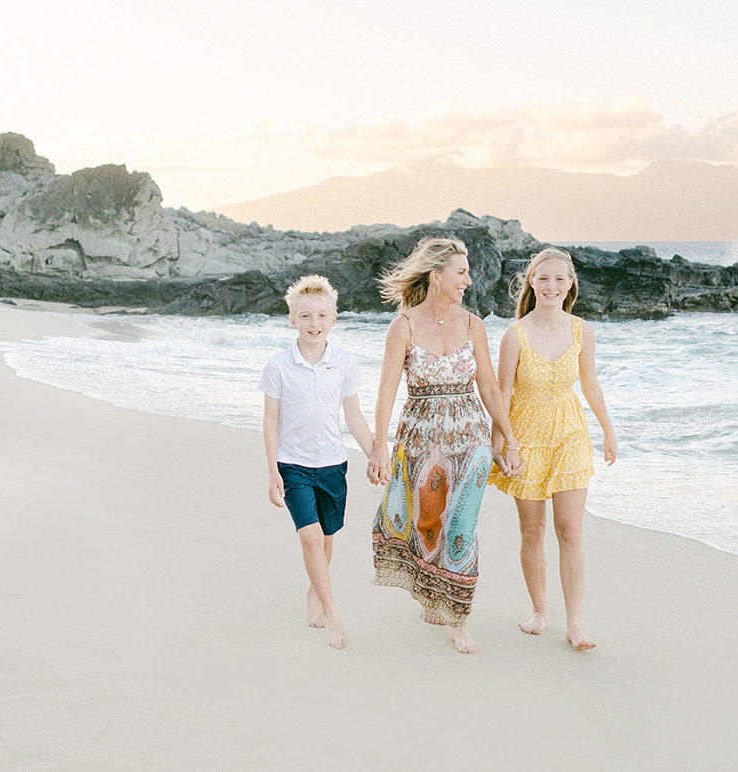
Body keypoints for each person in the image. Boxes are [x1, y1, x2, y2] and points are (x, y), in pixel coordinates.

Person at [366, 237, 523, 654]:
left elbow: (489, 387)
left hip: (469, 436)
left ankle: (458, 616)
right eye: (461, 273)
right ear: (436, 278)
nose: (468, 281)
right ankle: (434, 593)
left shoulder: (473, 324)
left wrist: (508, 438)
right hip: (420, 438)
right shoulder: (403, 326)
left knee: (463, 524)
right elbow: (386, 391)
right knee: (428, 521)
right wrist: (379, 446)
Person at [488, 247, 617, 650]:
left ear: (571, 284)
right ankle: (540, 611)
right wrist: (500, 443)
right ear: (531, 281)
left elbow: (591, 384)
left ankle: (575, 623)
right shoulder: (515, 335)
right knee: (533, 530)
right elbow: (501, 393)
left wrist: (608, 432)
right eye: (544, 278)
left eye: (560, 279)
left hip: (570, 434)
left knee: (570, 529)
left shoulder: (582, 330)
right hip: (524, 438)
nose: (552, 286)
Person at [260, 274, 373, 650]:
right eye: (305, 316)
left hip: (333, 464)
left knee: (325, 540)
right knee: (309, 538)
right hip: (293, 466)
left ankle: (313, 591)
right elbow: (271, 420)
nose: (314, 324)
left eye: (321, 316)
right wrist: (274, 469)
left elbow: (353, 416)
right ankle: (332, 610)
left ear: (334, 319)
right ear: (292, 319)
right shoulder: (278, 366)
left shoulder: (344, 363)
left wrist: (375, 454)